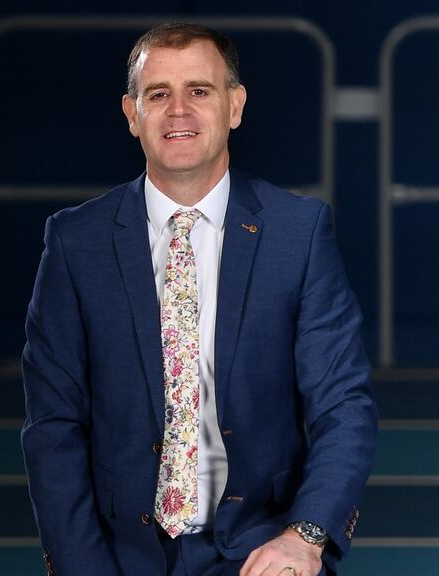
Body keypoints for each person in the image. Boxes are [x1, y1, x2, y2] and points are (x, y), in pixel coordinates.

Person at [21, 23, 376, 576]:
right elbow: (53, 424)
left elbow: (342, 404)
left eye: (200, 91)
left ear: (235, 106)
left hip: (264, 546)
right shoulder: (75, 241)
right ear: (131, 113)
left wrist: (305, 537)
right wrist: (80, 565)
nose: (178, 111)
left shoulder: (298, 233)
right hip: (118, 554)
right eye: (157, 94)